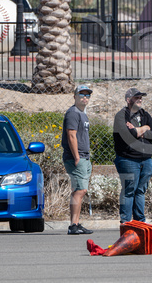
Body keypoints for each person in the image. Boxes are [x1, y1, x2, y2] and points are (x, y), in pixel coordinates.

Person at [113, 88, 152, 223]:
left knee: (140, 191)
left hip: (146, 159)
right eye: (136, 97)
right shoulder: (121, 116)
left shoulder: (145, 114)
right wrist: (143, 129)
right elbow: (128, 135)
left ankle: (140, 222)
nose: (140, 99)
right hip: (128, 159)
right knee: (129, 191)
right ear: (128, 100)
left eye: (141, 97)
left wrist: (139, 129)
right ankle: (125, 222)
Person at [62, 85, 94, 235]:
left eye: (87, 95)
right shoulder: (73, 113)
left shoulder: (82, 114)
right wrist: (76, 157)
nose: (85, 97)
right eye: (81, 94)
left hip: (84, 157)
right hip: (77, 157)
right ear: (74, 96)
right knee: (79, 191)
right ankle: (73, 226)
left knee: (80, 190)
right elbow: (71, 135)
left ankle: (76, 223)